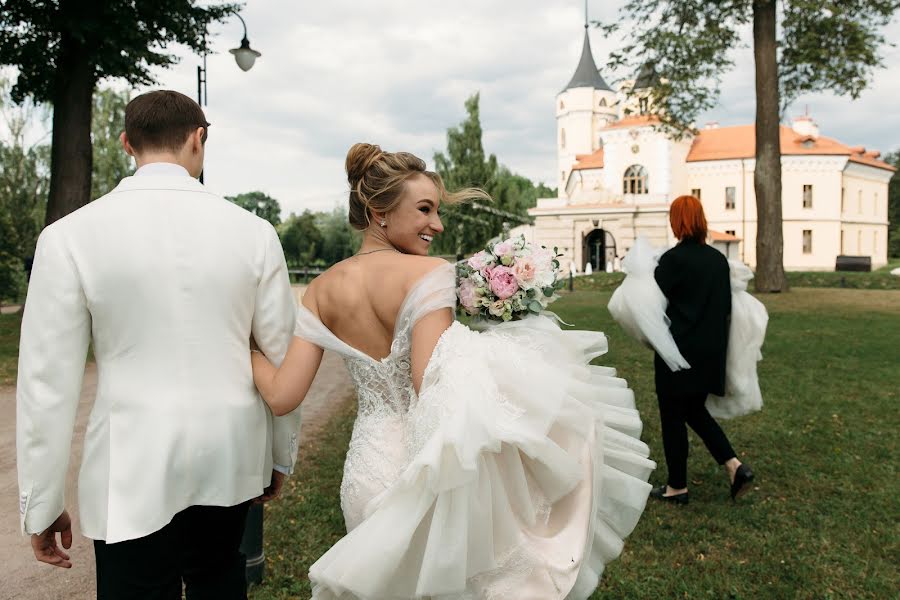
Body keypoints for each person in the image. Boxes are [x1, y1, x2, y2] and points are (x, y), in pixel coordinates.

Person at [250, 143, 656, 599]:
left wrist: (240, 343)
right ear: (379, 210)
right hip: (425, 469)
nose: (437, 225)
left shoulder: (322, 288)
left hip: (365, 472)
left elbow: (283, 395)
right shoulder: (429, 274)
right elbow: (431, 383)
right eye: (425, 210)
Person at [16, 90, 300, 599]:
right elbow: (280, 352)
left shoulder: (69, 237)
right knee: (219, 579)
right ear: (199, 138)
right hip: (229, 451)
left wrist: (41, 502)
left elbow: (46, 381)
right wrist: (279, 455)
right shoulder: (255, 233)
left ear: (127, 144)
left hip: (131, 459)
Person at [650, 195, 754, 505]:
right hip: (710, 350)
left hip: (677, 351)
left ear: (677, 221)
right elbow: (724, 307)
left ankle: (677, 487)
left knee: (672, 416)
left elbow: (654, 304)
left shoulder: (671, 260)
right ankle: (735, 466)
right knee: (694, 410)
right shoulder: (718, 260)